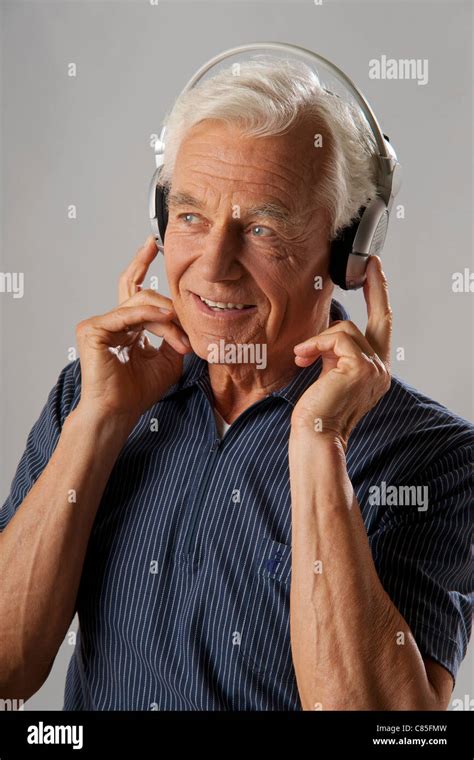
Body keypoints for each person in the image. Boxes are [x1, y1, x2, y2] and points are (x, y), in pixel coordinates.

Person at [0, 59, 472, 711]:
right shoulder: (92, 393)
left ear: (348, 253)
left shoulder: (437, 460)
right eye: (191, 218)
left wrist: (317, 443)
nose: (214, 266)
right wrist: (98, 421)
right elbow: (6, 667)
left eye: (261, 229)